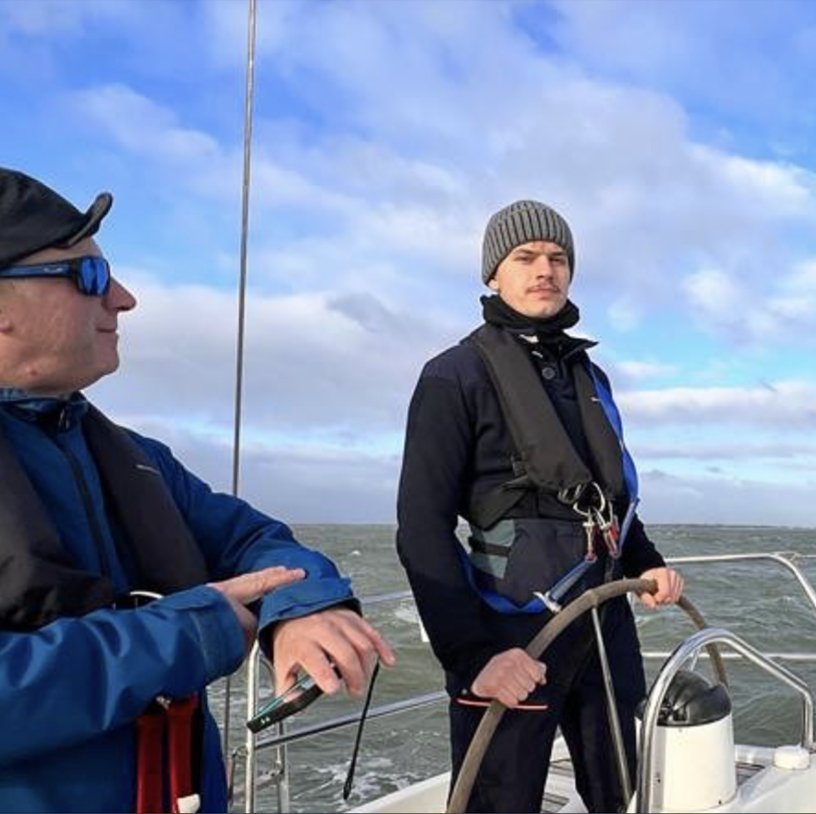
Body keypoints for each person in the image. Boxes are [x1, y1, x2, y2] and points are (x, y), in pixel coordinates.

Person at [0, 167, 395, 814]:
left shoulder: (138, 461)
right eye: (89, 277)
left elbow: (251, 538)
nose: (123, 298)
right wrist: (184, 633)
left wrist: (299, 609)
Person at [396, 199, 683, 813]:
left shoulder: (591, 377)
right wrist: (474, 657)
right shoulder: (453, 376)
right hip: (511, 632)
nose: (544, 269)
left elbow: (611, 501)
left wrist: (648, 560)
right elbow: (420, 527)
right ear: (493, 274)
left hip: (606, 622)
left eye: (557, 258)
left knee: (626, 790)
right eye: (525, 257)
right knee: (499, 800)